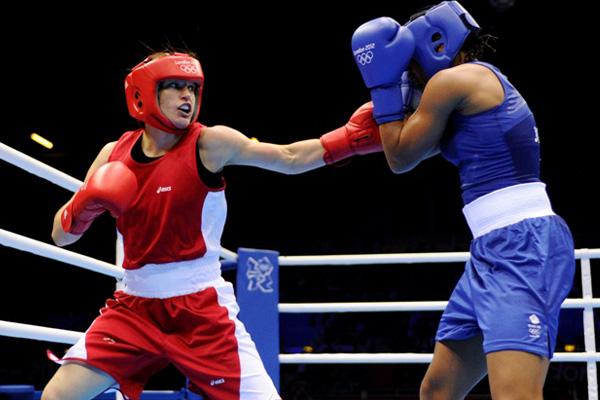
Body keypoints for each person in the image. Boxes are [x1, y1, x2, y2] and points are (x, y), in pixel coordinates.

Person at [42, 51, 381, 400]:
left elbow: (288, 158)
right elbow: (60, 235)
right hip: (134, 307)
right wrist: (84, 204)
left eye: (193, 88)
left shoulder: (209, 142)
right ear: (143, 93)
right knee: (56, 396)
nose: (187, 96)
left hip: (200, 308)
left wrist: (349, 140)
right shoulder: (113, 154)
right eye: (175, 86)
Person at [351, 2, 575, 399]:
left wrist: (383, 86)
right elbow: (402, 146)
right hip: (493, 250)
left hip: (522, 247)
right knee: (437, 392)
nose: (409, 73)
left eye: (409, 62)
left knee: (516, 395)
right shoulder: (468, 91)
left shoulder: (454, 82)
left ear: (432, 46)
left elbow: (399, 158)